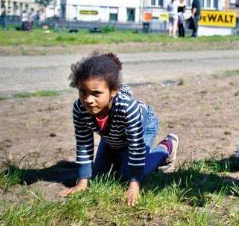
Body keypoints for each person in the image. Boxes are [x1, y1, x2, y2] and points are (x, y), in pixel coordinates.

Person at [59, 52, 180, 206]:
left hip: (143, 127)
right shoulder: (79, 108)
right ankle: (121, 157)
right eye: (83, 92)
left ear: (113, 91)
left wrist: (134, 186)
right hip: (112, 136)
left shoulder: (127, 108)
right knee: (98, 177)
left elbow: (135, 147)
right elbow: (84, 145)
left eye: (96, 93)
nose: (88, 100)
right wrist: (82, 183)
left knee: (127, 176)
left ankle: (166, 148)